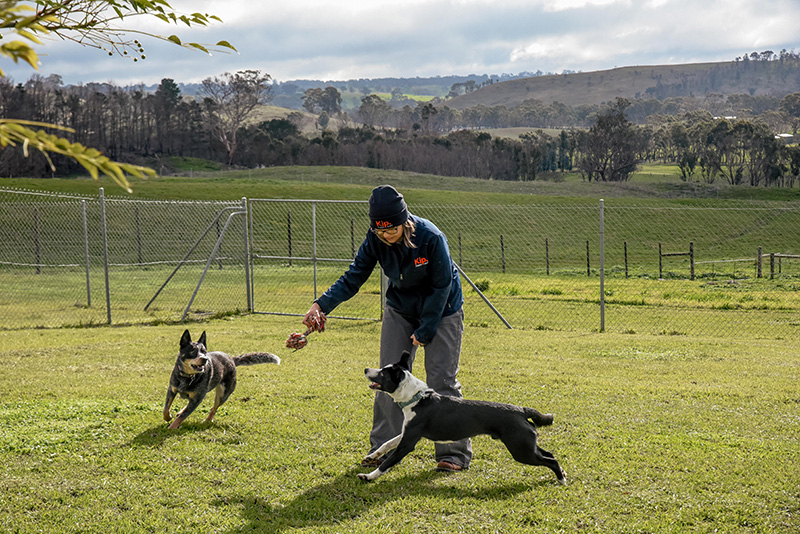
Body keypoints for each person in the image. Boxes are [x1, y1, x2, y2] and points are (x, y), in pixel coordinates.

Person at [303, 185, 472, 472]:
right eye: (380, 230)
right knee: (386, 379)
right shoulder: (375, 239)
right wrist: (321, 305)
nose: (386, 235)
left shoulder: (431, 237)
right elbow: (353, 277)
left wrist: (426, 328)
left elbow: (442, 285)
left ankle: (453, 453)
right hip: (400, 308)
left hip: (442, 309)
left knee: (441, 379)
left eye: (391, 229)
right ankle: (382, 450)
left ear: (404, 221)